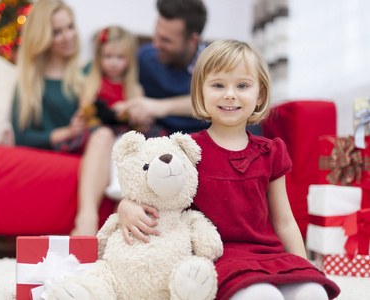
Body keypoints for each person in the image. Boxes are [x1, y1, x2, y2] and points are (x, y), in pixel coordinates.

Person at [117, 40, 340, 300]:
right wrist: (126, 206)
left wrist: (302, 267)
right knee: (262, 296)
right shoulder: (186, 149)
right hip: (220, 257)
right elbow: (149, 189)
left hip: (269, 254)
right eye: (218, 85)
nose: (230, 94)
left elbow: (285, 222)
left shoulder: (271, 151)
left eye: (242, 86)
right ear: (200, 93)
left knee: (313, 292)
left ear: (260, 95)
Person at [12, 0, 116, 236]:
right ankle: (87, 224)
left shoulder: (88, 70)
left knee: (104, 134)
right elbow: (21, 137)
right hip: (61, 146)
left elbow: (106, 114)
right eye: (56, 32)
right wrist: (65, 132)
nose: (67, 36)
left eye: (70, 27)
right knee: (103, 136)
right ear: (42, 37)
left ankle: (86, 225)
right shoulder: (29, 83)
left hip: (93, 145)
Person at [116, 0, 209, 134]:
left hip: (200, 143)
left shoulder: (216, 63)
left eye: (166, 40)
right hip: (156, 142)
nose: (156, 45)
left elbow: (217, 100)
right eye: (156, 35)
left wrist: (160, 107)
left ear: (192, 40)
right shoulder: (146, 58)